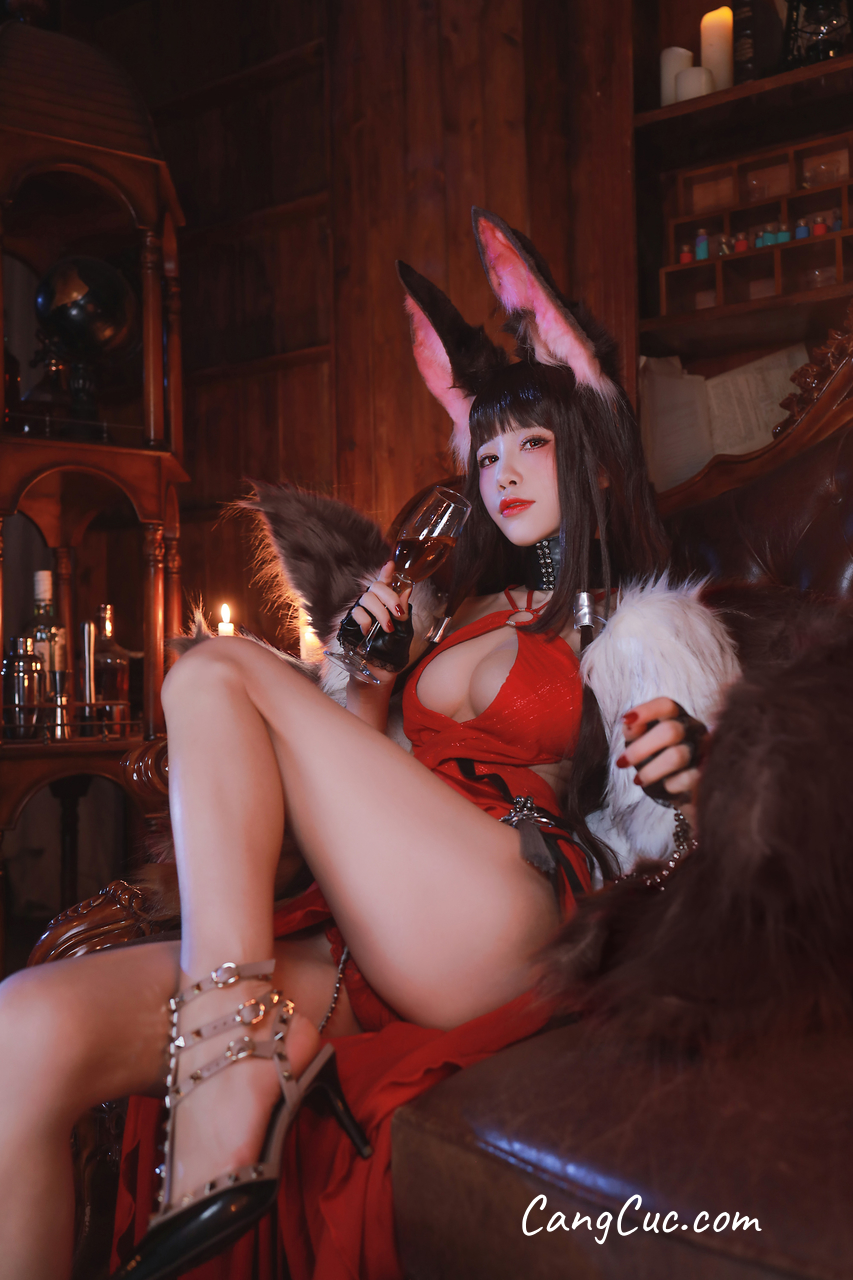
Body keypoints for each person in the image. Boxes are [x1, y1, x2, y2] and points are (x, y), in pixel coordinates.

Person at [0, 210, 738, 1280]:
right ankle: (240, 1046)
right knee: (25, 1031)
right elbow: (353, 794)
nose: (501, 467)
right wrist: (370, 680)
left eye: (532, 442)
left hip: (508, 908)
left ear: (591, 452)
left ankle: (229, 1075)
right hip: (373, 929)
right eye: (487, 448)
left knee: (212, 667)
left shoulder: (634, 623)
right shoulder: (459, 610)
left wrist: (694, 776)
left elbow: (696, 852)